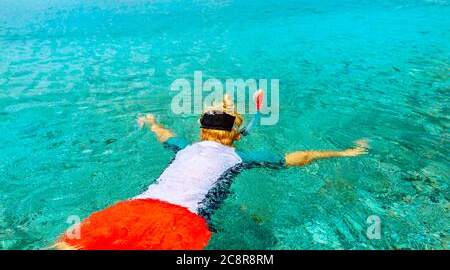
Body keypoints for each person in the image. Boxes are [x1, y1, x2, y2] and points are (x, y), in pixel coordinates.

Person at [54, 95, 368, 250]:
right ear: (236, 135)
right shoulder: (241, 157)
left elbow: (163, 133)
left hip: (135, 207)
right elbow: (301, 157)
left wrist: (150, 122)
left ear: (202, 132)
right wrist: (343, 152)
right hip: (182, 221)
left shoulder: (184, 147)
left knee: (66, 247)